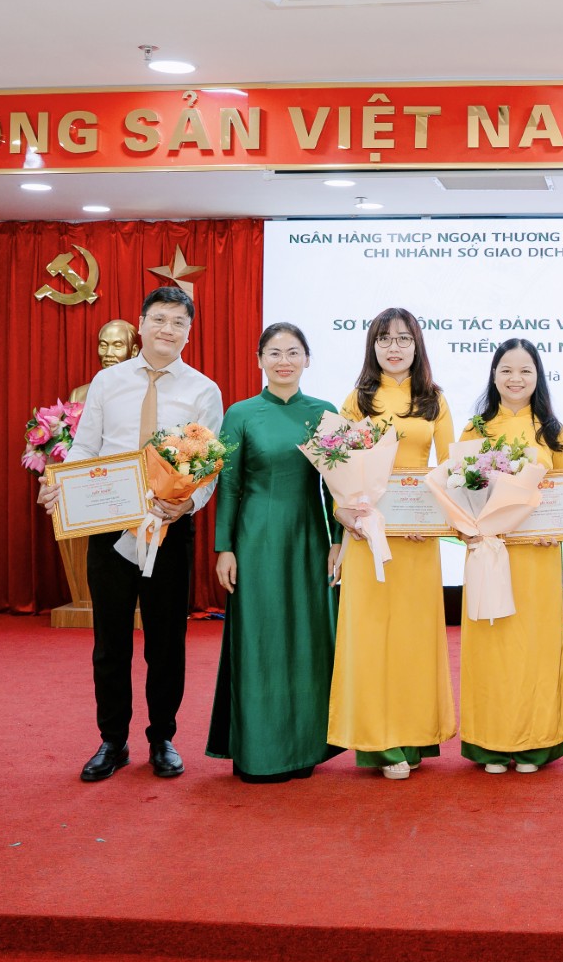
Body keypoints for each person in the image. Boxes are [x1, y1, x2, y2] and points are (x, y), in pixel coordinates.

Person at [39, 286, 224, 782]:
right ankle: (112, 740)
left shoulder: (204, 390)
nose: (168, 329)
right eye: (159, 319)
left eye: (179, 322)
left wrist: (188, 503)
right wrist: (60, 486)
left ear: (189, 332)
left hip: (168, 529)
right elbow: (85, 448)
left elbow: (210, 466)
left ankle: (162, 737)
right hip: (110, 525)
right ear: (141, 325)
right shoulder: (108, 382)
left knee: (167, 641)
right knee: (111, 640)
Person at [205, 322, 346, 782]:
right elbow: (228, 485)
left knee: (308, 636)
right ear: (259, 360)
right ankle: (259, 752)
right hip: (256, 538)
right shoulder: (240, 413)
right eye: (274, 353)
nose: (284, 361)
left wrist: (338, 540)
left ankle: (304, 747)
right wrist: (225, 547)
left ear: (308, 359)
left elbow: (336, 487)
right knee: (259, 636)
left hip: (309, 538)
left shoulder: (325, 413)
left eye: (293, 352)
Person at [327, 308, 456, 780]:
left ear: (417, 345)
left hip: (418, 540)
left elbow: (451, 469)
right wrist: (345, 516)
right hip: (368, 535)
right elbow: (338, 467)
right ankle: (380, 744)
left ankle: (414, 735)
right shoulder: (357, 399)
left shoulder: (434, 400)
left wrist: (437, 520)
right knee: (370, 638)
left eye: (403, 338)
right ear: (373, 346)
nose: (394, 347)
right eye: (384, 339)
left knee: (413, 639)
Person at [456, 338, 563, 773]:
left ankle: (534, 744)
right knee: (491, 645)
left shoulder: (552, 430)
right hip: (491, 554)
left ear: (537, 377)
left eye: (525, 370)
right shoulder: (476, 429)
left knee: (534, 648)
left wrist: (556, 530)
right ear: (493, 375)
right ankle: (490, 744)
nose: (515, 378)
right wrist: (469, 529)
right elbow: (457, 491)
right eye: (506, 369)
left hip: (536, 560)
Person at [70, 320, 139, 404]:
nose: (108, 353)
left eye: (117, 346)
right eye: (103, 346)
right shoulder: (78, 396)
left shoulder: (143, 394)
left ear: (134, 351)